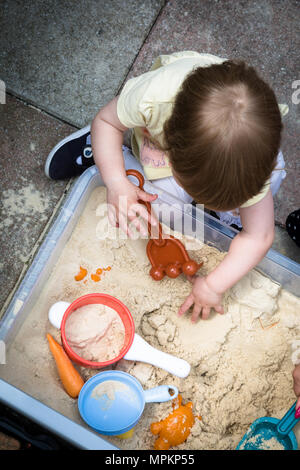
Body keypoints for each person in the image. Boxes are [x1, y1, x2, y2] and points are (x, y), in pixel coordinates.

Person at [45, 51, 287, 323]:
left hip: (218, 150)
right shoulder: (151, 99)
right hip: (147, 133)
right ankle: (105, 152)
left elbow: (259, 236)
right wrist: (116, 183)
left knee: (273, 179)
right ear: (174, 155)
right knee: (162, 201)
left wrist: (212, 285)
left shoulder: (256, 153)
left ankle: (223, 211)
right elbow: (107, 121)